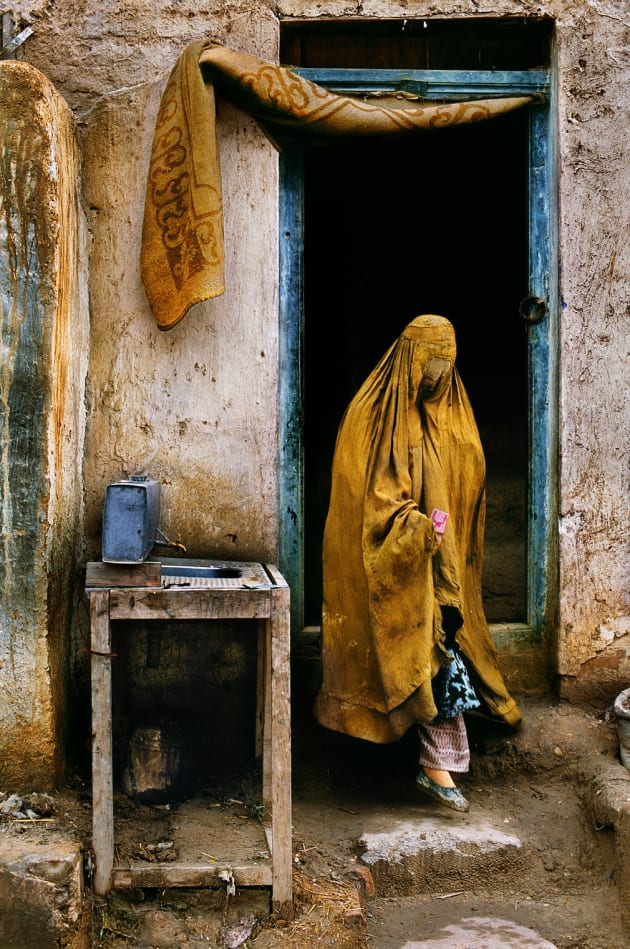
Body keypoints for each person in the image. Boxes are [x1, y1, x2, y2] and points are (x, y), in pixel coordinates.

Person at [313, 314, 521, 812]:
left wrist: (440, 533)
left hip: (438, 560)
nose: (436, 380)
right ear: (409, 361)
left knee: (441, 646)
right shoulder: (370, 414)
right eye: (428, 369)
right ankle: (434, 767)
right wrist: (411, 527)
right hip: (390, 561)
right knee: (422, 647)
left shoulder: (455, 412)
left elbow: (468, 476)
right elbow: (364, 498)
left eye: (445, 371)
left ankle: (437, 766)